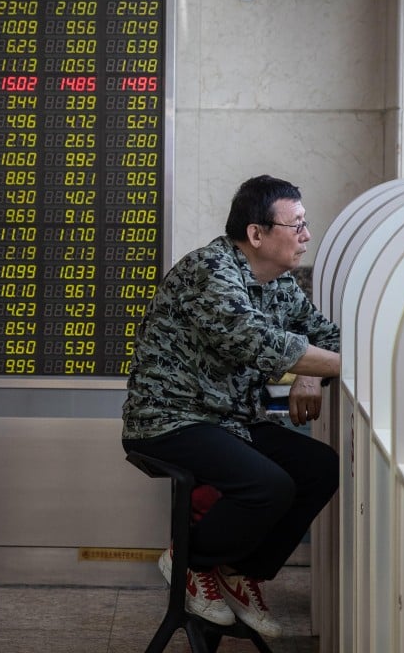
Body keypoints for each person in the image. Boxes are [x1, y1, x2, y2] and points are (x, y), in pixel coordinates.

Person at [122, 174, 341, 637]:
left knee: (320, 467)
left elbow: (323, 337)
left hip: (231, 420)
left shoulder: (279, 284)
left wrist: (309, 371)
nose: (306, 236)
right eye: (296, 225)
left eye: (306, 224)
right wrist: (332, 363)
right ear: (257, 234)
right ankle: (191, 561)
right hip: (170, 417)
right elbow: (256, 341)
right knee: (269, 485)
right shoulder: (210, 269)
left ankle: (240, 573)